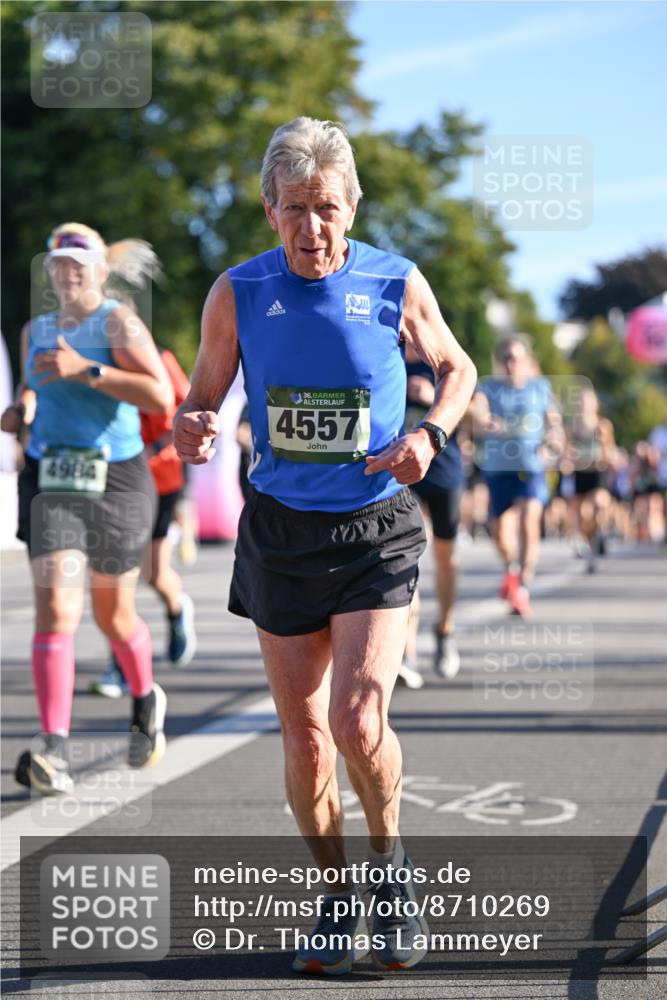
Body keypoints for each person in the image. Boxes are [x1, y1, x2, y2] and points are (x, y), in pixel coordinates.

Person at [174, 117, 476, 974]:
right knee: (305, 737)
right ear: (270, 211)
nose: (314, 227)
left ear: (353, 207)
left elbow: (457, 368)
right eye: (296, 208)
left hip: (375, 526)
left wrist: (430, 435)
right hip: (278, 530)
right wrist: (191, 428)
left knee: (356, 715)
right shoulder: (237, 290)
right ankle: (337, 898)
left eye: (329, 208)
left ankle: (389, 872)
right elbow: (202, 398)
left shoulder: (393, 280)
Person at [1, 223, 172, 793]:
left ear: (100, 270)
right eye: (58, 264)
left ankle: (146, 700)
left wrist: (88, 370)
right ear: (50, 273)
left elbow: (160, 395)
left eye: (79, 263)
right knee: (56, 613)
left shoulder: (118, 321)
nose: (67, 272)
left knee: (111, 615)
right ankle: (53, 749)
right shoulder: (36, 329)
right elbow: (31, 386)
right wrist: (20, 410)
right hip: (51, 478)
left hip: (116, 479)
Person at [91, 346, 197, 698]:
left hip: (160, 479)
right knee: (119, 574)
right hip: (113, 483)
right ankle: (119, 665)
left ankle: (177, 607)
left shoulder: (162, 360)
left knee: (152, 573)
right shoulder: (91, 364)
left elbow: (186, 413)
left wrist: (150, 448)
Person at [470, 335, 563, 617]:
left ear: (527, 361)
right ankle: (512, 570)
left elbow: (554, 423)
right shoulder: (488, 387)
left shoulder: (540, 388)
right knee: (500, 534)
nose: (512, 364)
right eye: (507, 358)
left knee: (529, 521)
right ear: (501, 362)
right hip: (499, 469)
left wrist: (554, 443)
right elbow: (477, 410)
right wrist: (482, 420)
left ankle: (521, 586)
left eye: (517, 358)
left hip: (531, 466)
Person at [400, 342, 464, 686]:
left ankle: (444, 629)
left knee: (445, 558)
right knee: (402, 559)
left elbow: (476, 411)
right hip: (401, 473)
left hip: (444, 474)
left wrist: (432, 400)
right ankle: (406, 652)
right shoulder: (386, 356)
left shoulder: (444, 362)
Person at [563, 386, 616, 572]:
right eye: (580, 401)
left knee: (600, 504)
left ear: (595, 404)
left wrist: (608, 457)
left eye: (587, 401)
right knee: (583, 516)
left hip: (597, 471)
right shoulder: (572, 426)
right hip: (580, 473)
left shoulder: (603, 425)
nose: (583, 404)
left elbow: (610, 450)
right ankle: (590, 543)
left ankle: (601, 535)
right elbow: (566, 449)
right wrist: (569, 458)